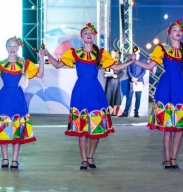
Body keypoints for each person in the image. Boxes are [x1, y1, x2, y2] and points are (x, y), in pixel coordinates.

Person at [45, 23, 135, 170]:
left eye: (90, 33)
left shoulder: (100, 54)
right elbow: (57, 65)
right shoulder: (75, 53)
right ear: (81, 37)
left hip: (95, 92)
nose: (88, 35)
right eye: (86, 33)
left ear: (93, 36)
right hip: (80, 91)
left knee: (96, 127)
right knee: (82, 128)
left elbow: (116, 67)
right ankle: (83, 159)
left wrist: (130, 61)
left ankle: (91, 156)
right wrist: (47, 54)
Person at [133, 20, 183, 169]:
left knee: (179, 126)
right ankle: (167, 158)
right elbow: (150, 66)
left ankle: (174, 158)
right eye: (175, 30)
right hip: (166, 87)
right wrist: (135, 61)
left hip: (181, 88)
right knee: (168, 126)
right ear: (170, 34)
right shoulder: (163, 49)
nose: (178, 32)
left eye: (180, 30)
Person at [0, 37, 45, 169]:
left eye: (15, 46)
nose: (12, 49)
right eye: (10, 46)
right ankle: (5, 158)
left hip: (18, 98)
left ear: (19, 48)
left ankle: (15, 159)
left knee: (17, 130)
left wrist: (41, 59)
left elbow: (40, 74)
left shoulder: (24, 63)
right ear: (6, 48)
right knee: (4, 128)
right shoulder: (0, 64)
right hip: (4, 98)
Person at [121, 48, 147, 118]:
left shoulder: (143, 59)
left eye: (136, 50)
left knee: (138, 97)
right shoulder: (130, 58)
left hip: (139, 81)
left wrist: (137, 78)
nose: (135, 51)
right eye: (134, 50)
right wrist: (132, 78)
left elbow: (144, 71)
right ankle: (126, 112)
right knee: (129, 97)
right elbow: (128, 70)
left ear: (139, 51)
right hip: (131, 80)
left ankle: (136, 112)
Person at [104, 49, 123, 116]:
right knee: (108, 95)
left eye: (112, 53)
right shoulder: (108, 61)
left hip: (115, 82)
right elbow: (106, 70)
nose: (111, 54)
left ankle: (114, 110)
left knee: (116, 95)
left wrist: (117, 76)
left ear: (115, 54)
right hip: (109, 81)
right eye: (111, 53)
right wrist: (105, 74)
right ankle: (110, 109)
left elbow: (122, 73)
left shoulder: (119, 62)